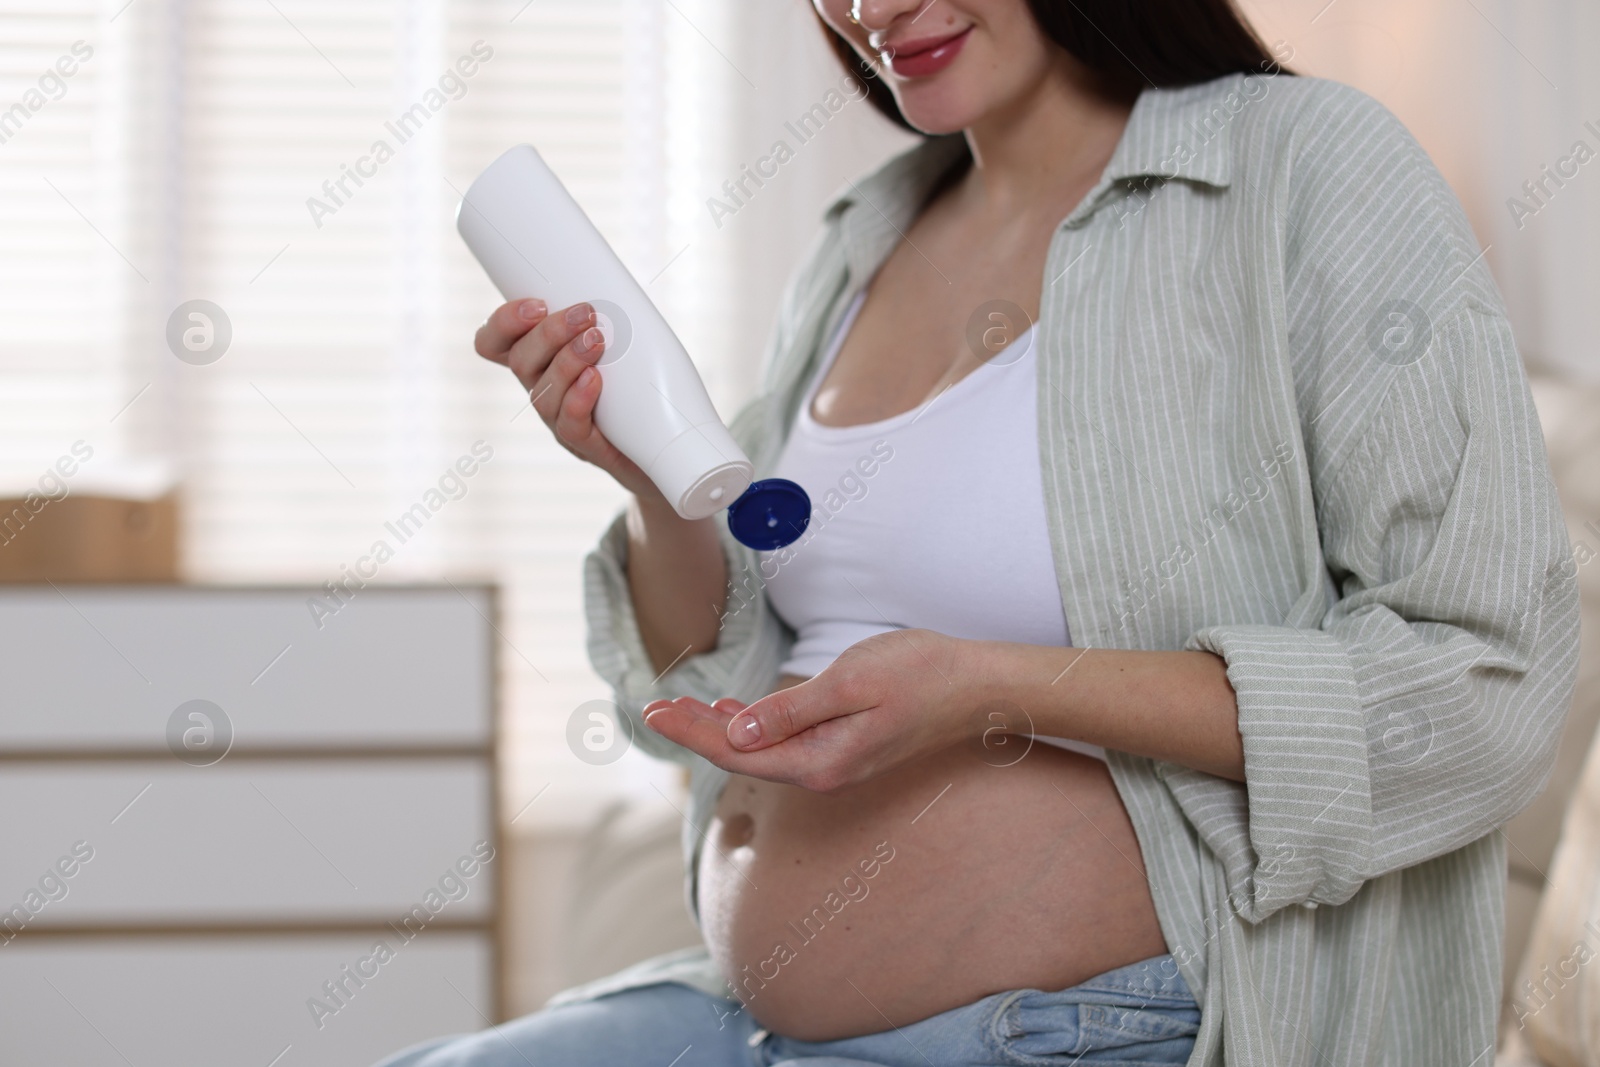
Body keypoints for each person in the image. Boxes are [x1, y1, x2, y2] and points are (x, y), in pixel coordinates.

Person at [377, 0, 1581, 1063]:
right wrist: (648, 479)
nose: (870, 9)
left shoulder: (1300, 168)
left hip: (1111, 1024)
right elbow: (717, 665)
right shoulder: (864, 236)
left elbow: (1487, 679)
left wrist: (993, 688)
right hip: (746, 1014)